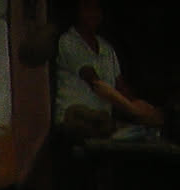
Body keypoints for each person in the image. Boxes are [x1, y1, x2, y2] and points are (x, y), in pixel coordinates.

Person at [53, 0, 163, 135]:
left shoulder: (107, 48)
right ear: (77, 12)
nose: (93, 13)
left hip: (100, 126)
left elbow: (121, 88)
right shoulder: (68, 41)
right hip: (73, 124)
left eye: (97, 8)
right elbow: (96, 85)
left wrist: (145, 109)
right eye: (88, 8)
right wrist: (133, 109)